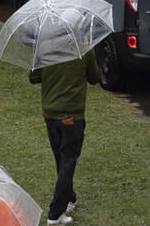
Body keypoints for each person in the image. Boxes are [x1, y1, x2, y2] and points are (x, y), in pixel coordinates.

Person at [30, 50, 100, 226]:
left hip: (50, 114)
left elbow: (34, 77)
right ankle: (55, 214)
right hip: (71, 116)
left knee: (61, 159)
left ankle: (70, 198)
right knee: (68, 160)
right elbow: (95, 78)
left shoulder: (44, 47)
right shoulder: (83, 51)